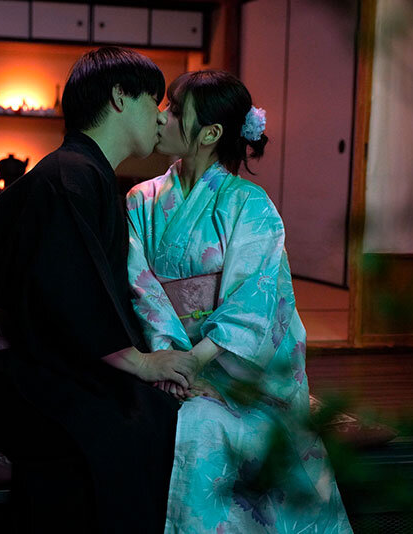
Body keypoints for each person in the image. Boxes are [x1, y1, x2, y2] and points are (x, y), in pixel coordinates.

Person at [0, 47, 197, 534]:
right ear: (120, 97)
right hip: (6, 376)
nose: (160, 118)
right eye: (154, 101)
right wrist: (142, 363)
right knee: (125, 426)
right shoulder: (69, 178)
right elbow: (70, 298)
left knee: (155, 412)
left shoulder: (86, 175)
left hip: (43, 360)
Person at [126, 70, 353, 533]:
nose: (161, 117)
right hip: (168, 358)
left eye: (175, 110)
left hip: (236, 371)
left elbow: (254, 302)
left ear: (210, 133)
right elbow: (141, 286)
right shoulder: (140, 200)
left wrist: (195, 362)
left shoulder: (250, 204)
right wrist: (171, 363)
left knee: (205, 425)